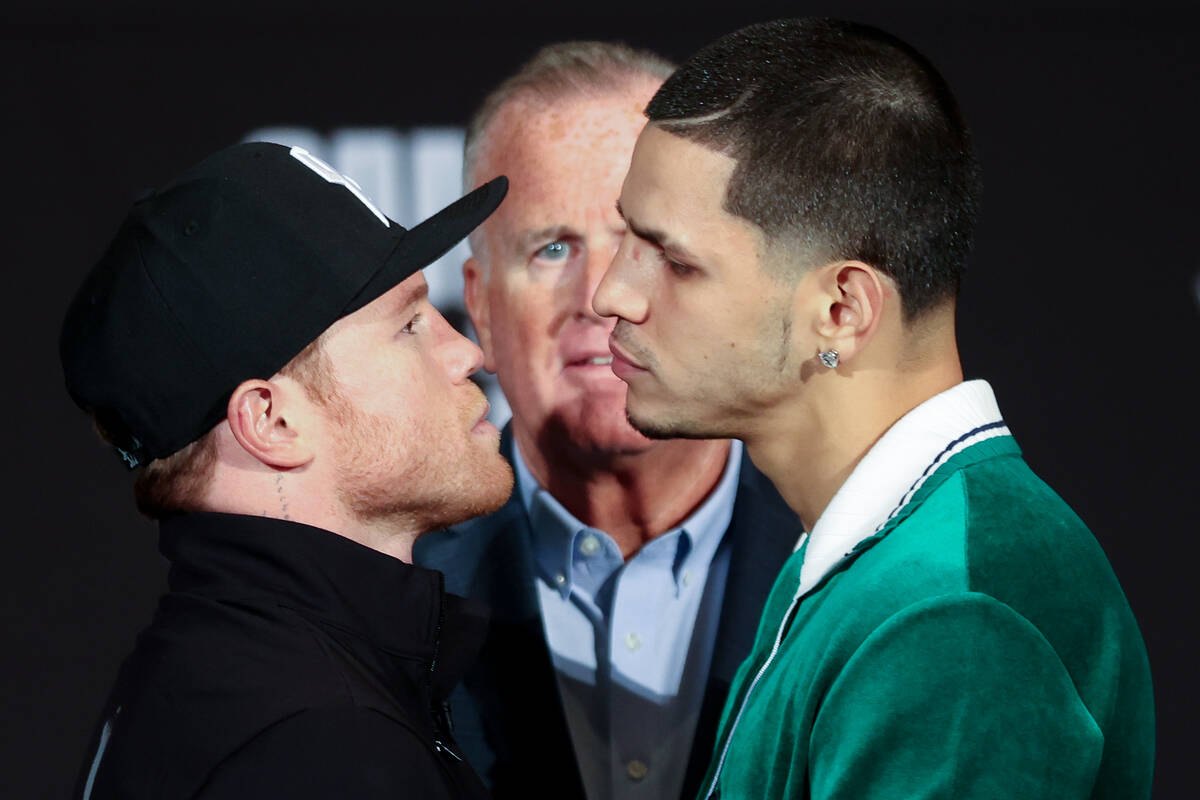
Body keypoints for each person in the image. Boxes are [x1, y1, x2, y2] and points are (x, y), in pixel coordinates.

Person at [593, 18, 1155, 800]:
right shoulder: (890, 559)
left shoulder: (953, 618)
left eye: (676, 263)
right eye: (627, 237)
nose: (611, 294)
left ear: (841, 311)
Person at [61, 142, 512, 799]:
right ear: (272, 422)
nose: (465, 352)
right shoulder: (320, 744)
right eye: (409, 326)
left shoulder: (236, 680)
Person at [413, 42, 800, 800]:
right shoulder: (385, 586)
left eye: (644, 243)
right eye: (552, 249)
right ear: (481, 306)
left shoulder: (852, 564)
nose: (601, 295)